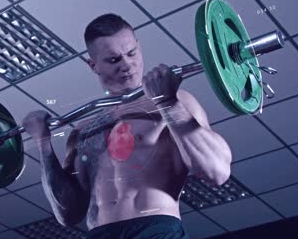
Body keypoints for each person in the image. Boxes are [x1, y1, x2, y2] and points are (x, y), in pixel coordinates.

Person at [21, 14, 232, 238]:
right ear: (93, 65)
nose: (127, 65)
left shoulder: (176, 100)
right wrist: (42, 141)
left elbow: (216, 171)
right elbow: (68, 214)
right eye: (113, 60)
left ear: (139, 47)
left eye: (132, 53)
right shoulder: (83, 129)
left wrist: (167, 103)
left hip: (154, 229)